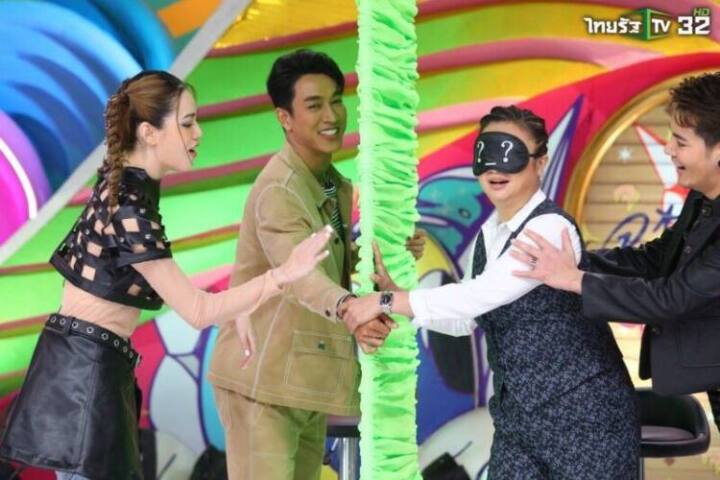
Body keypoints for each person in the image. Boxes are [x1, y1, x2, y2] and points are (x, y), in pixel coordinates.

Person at [0, 70, 332, 480]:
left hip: (86, 369)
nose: (198, 133)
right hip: (86, 378)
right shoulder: (129, 208)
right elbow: (197, 310)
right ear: (149, 133)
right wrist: (283, 274)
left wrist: (240, 307)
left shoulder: (124, 187)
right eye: (187, 123)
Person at [344, 106, 640, 479]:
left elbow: (480, 295)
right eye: (486, 153)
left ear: (541, 162)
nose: (496, 167)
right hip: (517, 418)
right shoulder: (489, 234)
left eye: (510, 154)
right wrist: (399, 297)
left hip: (583, 414)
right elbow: (467, 318)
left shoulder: (549, 227)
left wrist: (386, 301)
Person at [207, 49, 424, 480]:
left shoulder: (332, 184)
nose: (331, 115)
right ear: (284, 118)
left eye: (336, 100)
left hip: (303, 381)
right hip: (262, 384)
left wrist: (392, 252)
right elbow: (299, 276)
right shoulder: (280, 190)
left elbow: (329, 263)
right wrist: (350, 308)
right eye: (314, 105)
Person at [510, 72, 720, 434]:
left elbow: (671, 299)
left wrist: (575, 279)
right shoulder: (703, 199)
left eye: (681, 141)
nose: (669, 149)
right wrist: (575, 261)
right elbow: (657, 260)